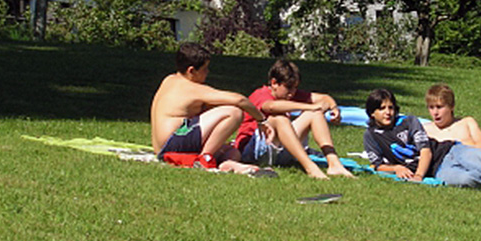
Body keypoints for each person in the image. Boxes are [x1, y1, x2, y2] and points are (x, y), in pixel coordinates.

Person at [150, 42, 274, 174]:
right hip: (172, 143)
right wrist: (262, 120)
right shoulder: (193, 88)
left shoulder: (169, 80)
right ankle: (205, 158)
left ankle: (227, 164)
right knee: (234, 113)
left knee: (232, 151)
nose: (207, 72)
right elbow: (240, 100)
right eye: (204, 69)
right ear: (191, 71)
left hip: (163, 147)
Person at [234, 58, 355, 179]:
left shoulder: (290, 94)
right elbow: (270, 106)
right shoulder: (261, 94)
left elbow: (324, 98)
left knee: (315, 114)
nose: (292, 93)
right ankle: (310, 167)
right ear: (274, 83)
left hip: (280, 150)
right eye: (288, 87)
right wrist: (310, 106)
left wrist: (334, 108)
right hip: (253, 151)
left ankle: (334, 163)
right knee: (279, 119)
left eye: (295, 88)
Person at [362, 88, 432, 181]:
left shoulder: (409, 122)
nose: (388, 112)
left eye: (391, 107)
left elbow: (426, 151)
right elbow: (377, 165)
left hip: (439, 159)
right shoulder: (370, 135)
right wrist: (396, 168)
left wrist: (419, 175)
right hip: (411, 167)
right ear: (372, 113)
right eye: (382, 108)